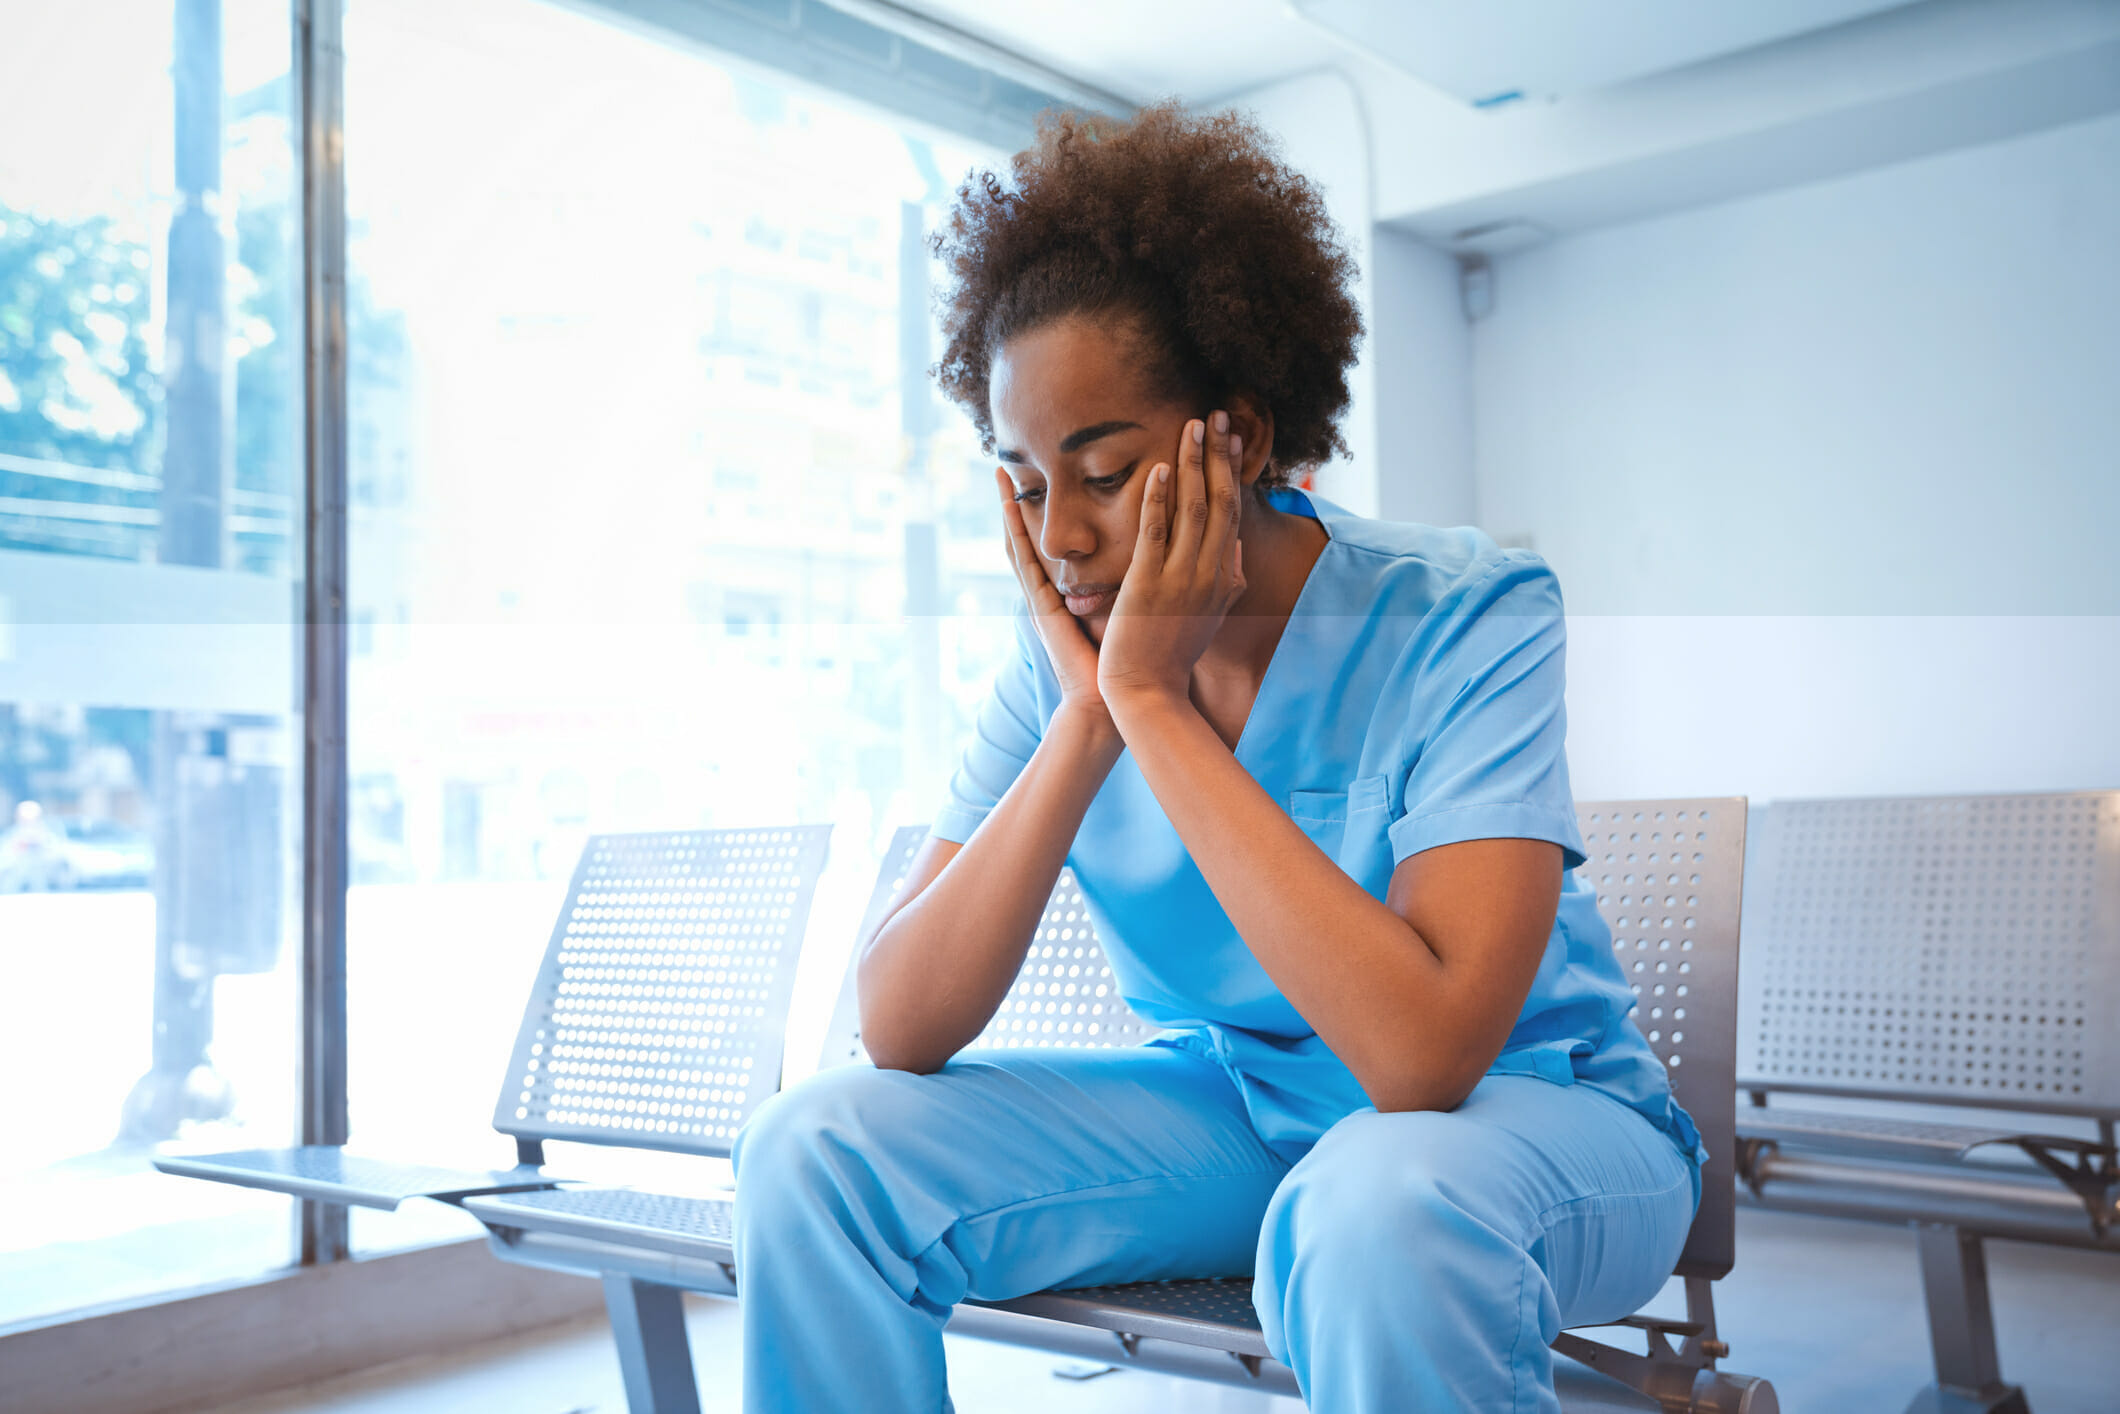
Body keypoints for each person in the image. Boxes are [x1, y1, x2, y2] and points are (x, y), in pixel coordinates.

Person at [732, 102, 1701, 1414]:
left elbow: (1423, 1063)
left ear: (1234, 437)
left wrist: (1154, 704)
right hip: (1242, 1116)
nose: (1061, 536)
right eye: (1023, 482)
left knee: (1379, 1198)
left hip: (1528, 1124)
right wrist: (1089, 719)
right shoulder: (1059, 672)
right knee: (816, 1149)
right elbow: (898, 1018)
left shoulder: (1467, 611)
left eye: (1105, 469)